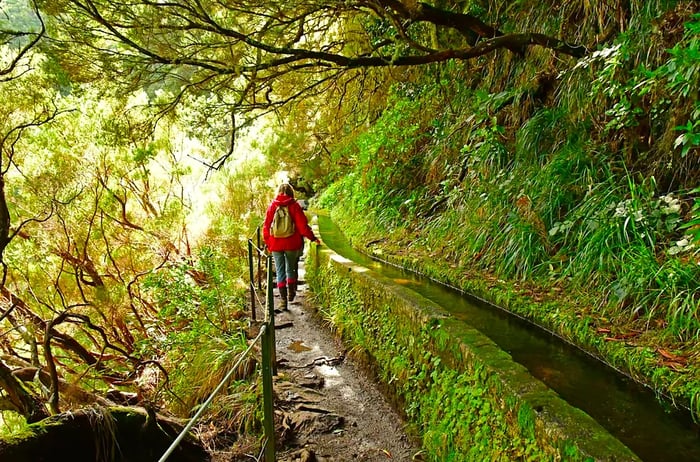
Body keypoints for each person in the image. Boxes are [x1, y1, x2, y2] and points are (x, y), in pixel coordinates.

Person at [263, 183, 320, 310]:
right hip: (292, 243)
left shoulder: (273, 206)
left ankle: (283, 301)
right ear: (291, 193)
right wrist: (313, 238)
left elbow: (266, 226)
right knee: (290, 269)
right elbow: (303, 227)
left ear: (278, 192)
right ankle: (291, 293)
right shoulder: (294, 206)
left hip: (276, 243)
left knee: (280, 271)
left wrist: (268, 243)